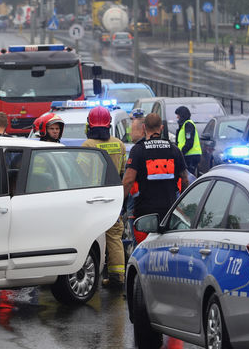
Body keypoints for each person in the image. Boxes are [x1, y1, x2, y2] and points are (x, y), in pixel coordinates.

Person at [79, 107, 127, 288]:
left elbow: (80, 172)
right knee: (114, 236)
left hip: (91, 198)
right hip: (113, 197)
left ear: (89, 125)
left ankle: (88, 276)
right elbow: (123, 171)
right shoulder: (119, 144)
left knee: (89, 237)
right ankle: (117, 277)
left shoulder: (88, 146)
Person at [122, 113, 189, 225]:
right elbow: (185, 179)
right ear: (161, 127)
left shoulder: (138, 150)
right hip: (169, 211)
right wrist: (180, 202)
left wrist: (120, 203)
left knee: (142, 242)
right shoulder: (174, 150)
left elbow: (128, 181)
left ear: (144, 128)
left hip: (145, 214)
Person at [174, 106, 201, 175]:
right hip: (188, 155)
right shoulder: (184, 125)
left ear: (182, 115)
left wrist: (181, 153)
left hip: (191, 156)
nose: (177, 117)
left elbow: (189, 142)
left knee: (189, 177)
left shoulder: (188, 125)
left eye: (178, 115)